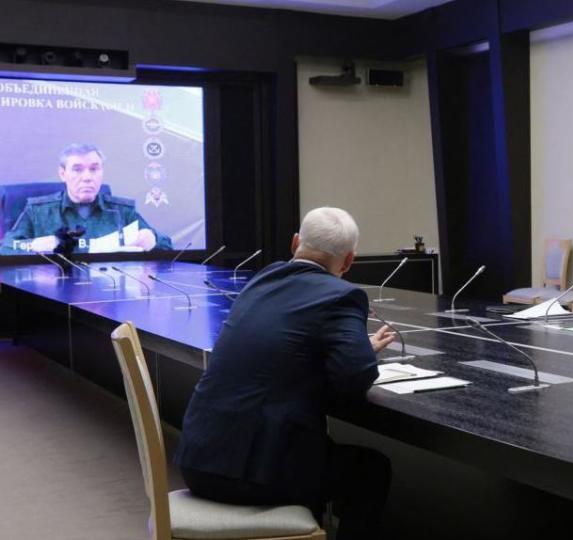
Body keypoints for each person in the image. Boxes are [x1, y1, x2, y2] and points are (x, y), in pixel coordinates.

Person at [175, 207, 395, 540]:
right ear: (348, 261)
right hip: (253, 473)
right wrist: (359, 353)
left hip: (197, 460)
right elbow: (355, 377)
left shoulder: (261, 280)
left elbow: (282, 349)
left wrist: (348, 351)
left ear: (295, 244)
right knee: (371, 470)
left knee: (315, 452)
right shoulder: (343, 295)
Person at [0, 143, 172, 253]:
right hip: (55, 294)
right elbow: (6, 249)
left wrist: (153, 239)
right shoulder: (38, 211)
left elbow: (167, 247)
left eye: (94, 169)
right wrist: (31, 246)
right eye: (77, 169)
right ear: (63, 173)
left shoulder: (122, 211)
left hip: (109, 295)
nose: (87, 177)